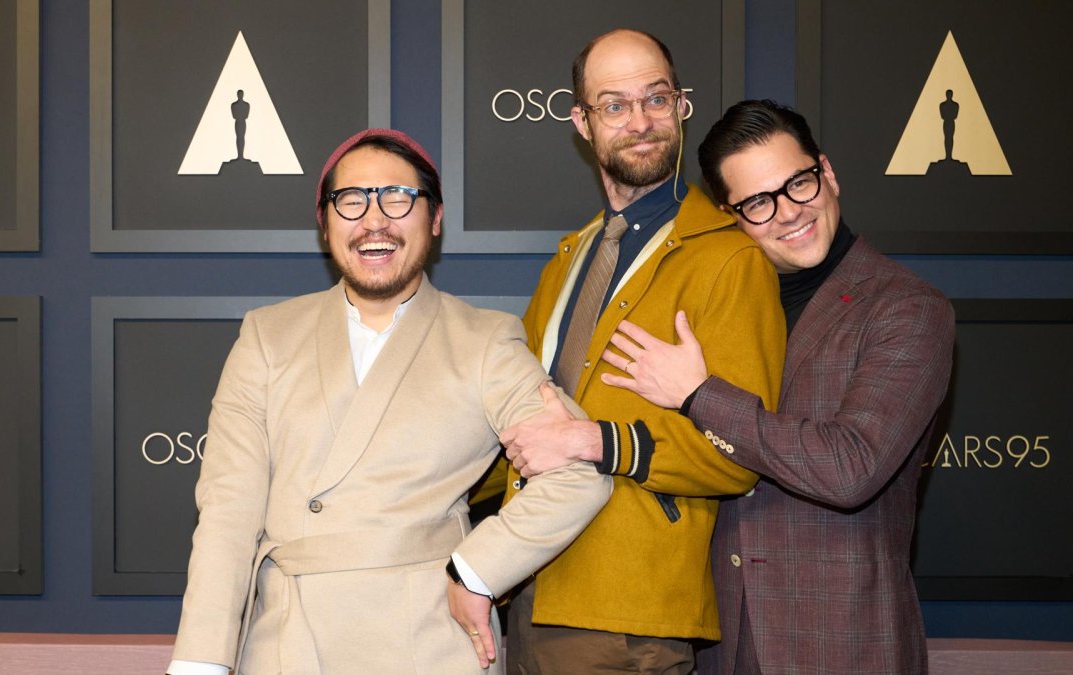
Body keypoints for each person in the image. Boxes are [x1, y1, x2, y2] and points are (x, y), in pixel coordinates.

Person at [167, 129, 611, 675]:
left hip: (428, 643)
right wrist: (200, 660)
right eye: (351, 201)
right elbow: (228, 510)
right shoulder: (268, 335)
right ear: (324, 221)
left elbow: (577, 471)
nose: (374, 221)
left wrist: (476, 570)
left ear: (436, 218)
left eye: (398, 197)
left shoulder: (483, 340)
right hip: (287, 644)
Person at [601, 99, 955, 674]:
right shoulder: (721, 307)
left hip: (841, 642)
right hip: (719, 641)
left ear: (828, 173)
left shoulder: (907, 308)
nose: (789, 212)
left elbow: (851, 467)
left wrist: (699, 395)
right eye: (759, 203)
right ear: (730, 215)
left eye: (800, 184)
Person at [499, 29, 785, 674]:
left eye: (656, 99)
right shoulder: (571, 257)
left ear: (681, 105)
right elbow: (519, 422)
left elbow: (740, 455)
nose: (641, 121)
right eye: (615, 105)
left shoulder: (730, 258)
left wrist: (592, 440)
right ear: (582, 122)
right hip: (529, 592)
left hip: (631, 618)